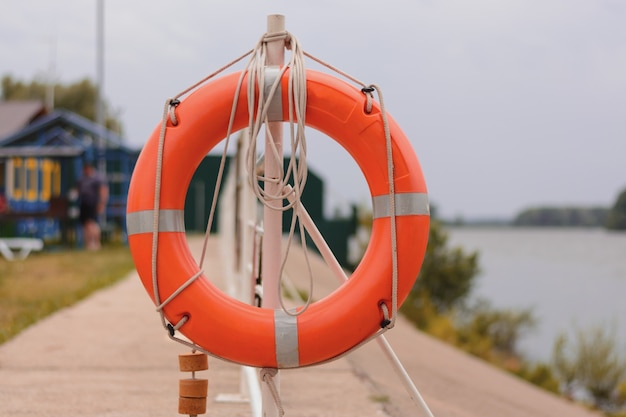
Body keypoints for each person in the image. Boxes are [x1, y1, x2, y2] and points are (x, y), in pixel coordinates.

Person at [77, 163, 108, 250]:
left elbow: (103, 191)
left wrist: (102, 203)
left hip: (92, 204)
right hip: (84, 204)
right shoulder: (82, 178)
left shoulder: (97, 179)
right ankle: (89, 244)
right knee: (86, 225)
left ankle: (96, 243)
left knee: (91, 224)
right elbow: (77, 190)